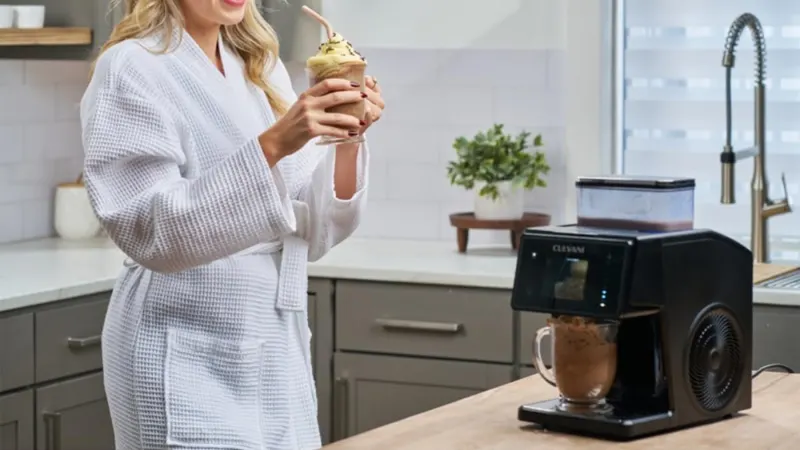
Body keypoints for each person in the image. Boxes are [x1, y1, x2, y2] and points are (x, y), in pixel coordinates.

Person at [80, 0, 384, 448]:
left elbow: (314, 229)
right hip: (178, 343)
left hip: (272, 343)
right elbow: (149, 230)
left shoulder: (262, 69)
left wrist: (348, 138)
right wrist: (274, 143)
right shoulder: (131, 66)